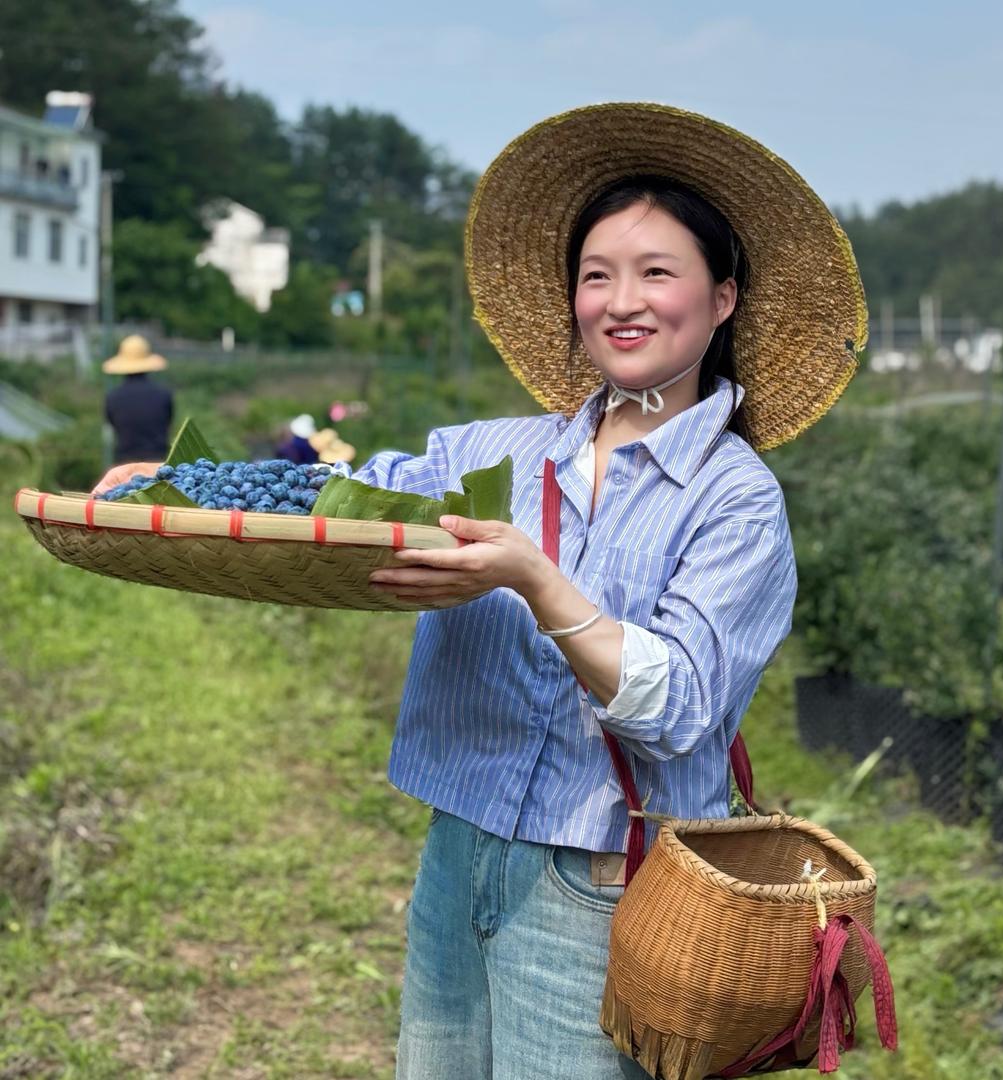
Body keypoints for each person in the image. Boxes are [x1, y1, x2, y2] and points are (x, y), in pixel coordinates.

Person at [92, 103, 866, 1079]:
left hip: (600, 881)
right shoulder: (494, 452)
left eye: (656, 273)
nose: (621, 301)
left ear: (722, 299)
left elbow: (678, 709)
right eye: (596, 275)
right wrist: (178, 480)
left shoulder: (734, 500)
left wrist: (534, 580)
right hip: (457, 852)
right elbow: (343, 493)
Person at [102, 335, 174, 464]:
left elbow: (112, 424)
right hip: (158, 462)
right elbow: (168, 423)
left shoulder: (113, 397)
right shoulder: (163, 394)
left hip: (125, 463)